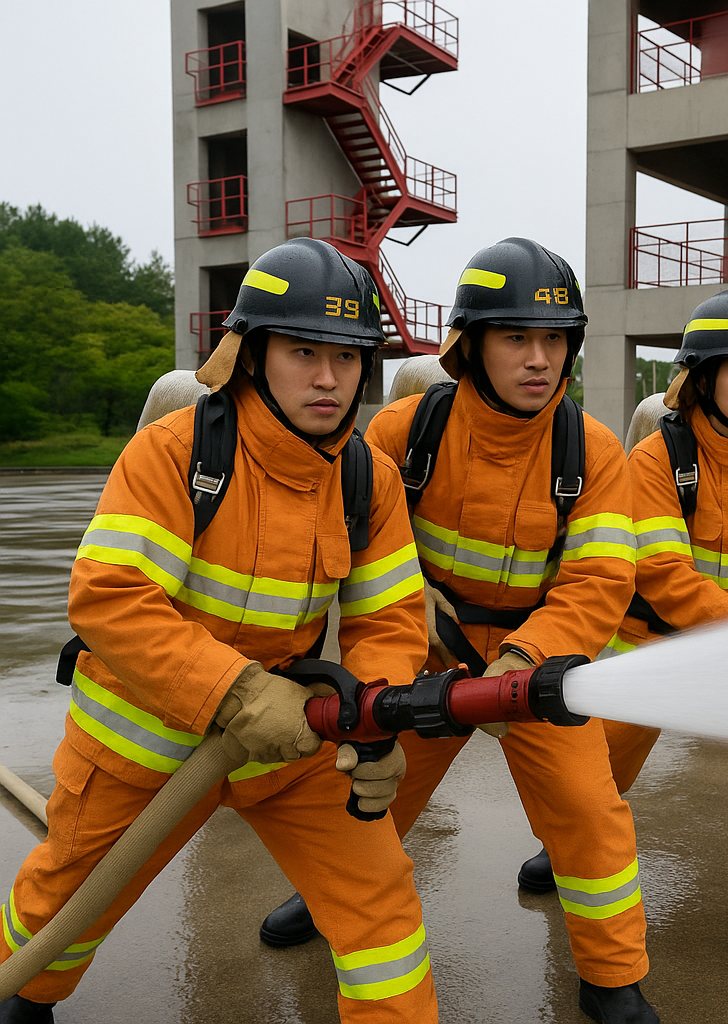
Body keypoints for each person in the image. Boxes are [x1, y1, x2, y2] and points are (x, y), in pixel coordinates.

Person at [0, 239, 438, 1023]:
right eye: (305, 351)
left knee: (383, 914)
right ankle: (23, 1002)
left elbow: (390, 617)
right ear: (248, 352)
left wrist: (372, 721)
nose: (331, 379)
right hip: (143, 744)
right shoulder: (174, 454)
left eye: (349, 356)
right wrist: (235, 692)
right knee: (61, 914)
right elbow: (111, 598)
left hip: (291, 745)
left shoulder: (366, 478)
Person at [260, 237, 659, 1024]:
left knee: (589, 813)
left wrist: (520, 663)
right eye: (517, 337)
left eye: (554, 339)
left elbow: (598, 582)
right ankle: (325, 897)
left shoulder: (595, 450)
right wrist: (411, 620)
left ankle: (612, 977)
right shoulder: (406, 431)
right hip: (429, 653)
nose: (539, 359)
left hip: (540, 669)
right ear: (468, 344)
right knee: (370, 791)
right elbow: (352, 545)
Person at [518, 288, 728, 987]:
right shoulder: (655, 459)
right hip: (650, 645)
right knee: (593, 774)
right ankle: (562, 848)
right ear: (701, 378)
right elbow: (662, 572)